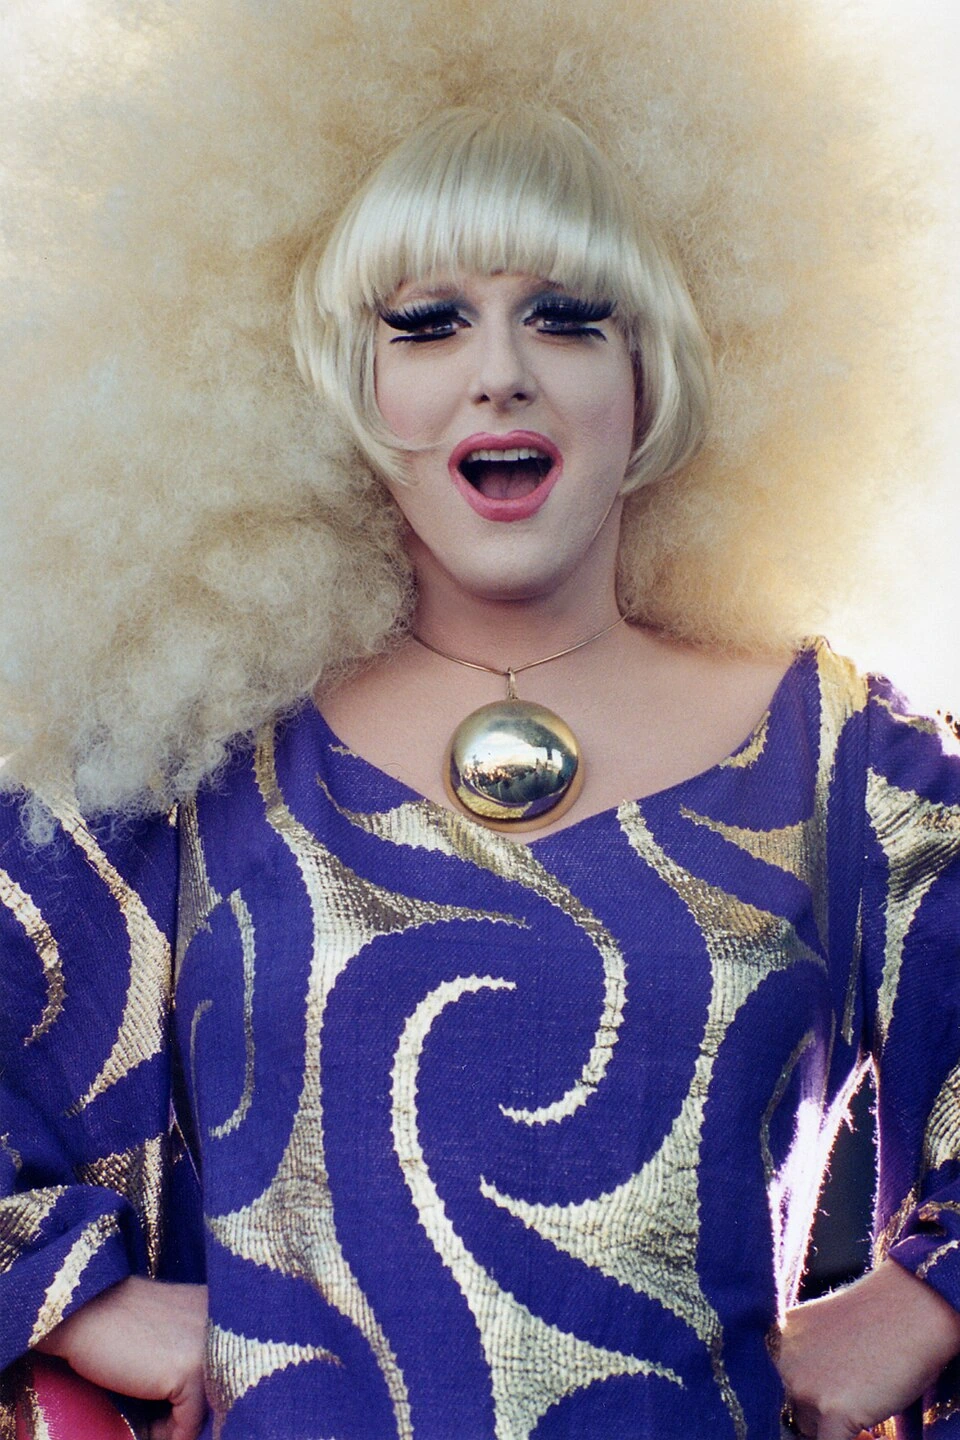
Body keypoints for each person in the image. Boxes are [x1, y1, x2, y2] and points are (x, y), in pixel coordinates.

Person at [1, 7, 958, 1440]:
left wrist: (927, 1296)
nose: (498, 370)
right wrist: (77, 1294)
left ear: (660, 377)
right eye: (428, 321)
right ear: (350, 384)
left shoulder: (846, 764)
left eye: (568, 316)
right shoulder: (196, 764)